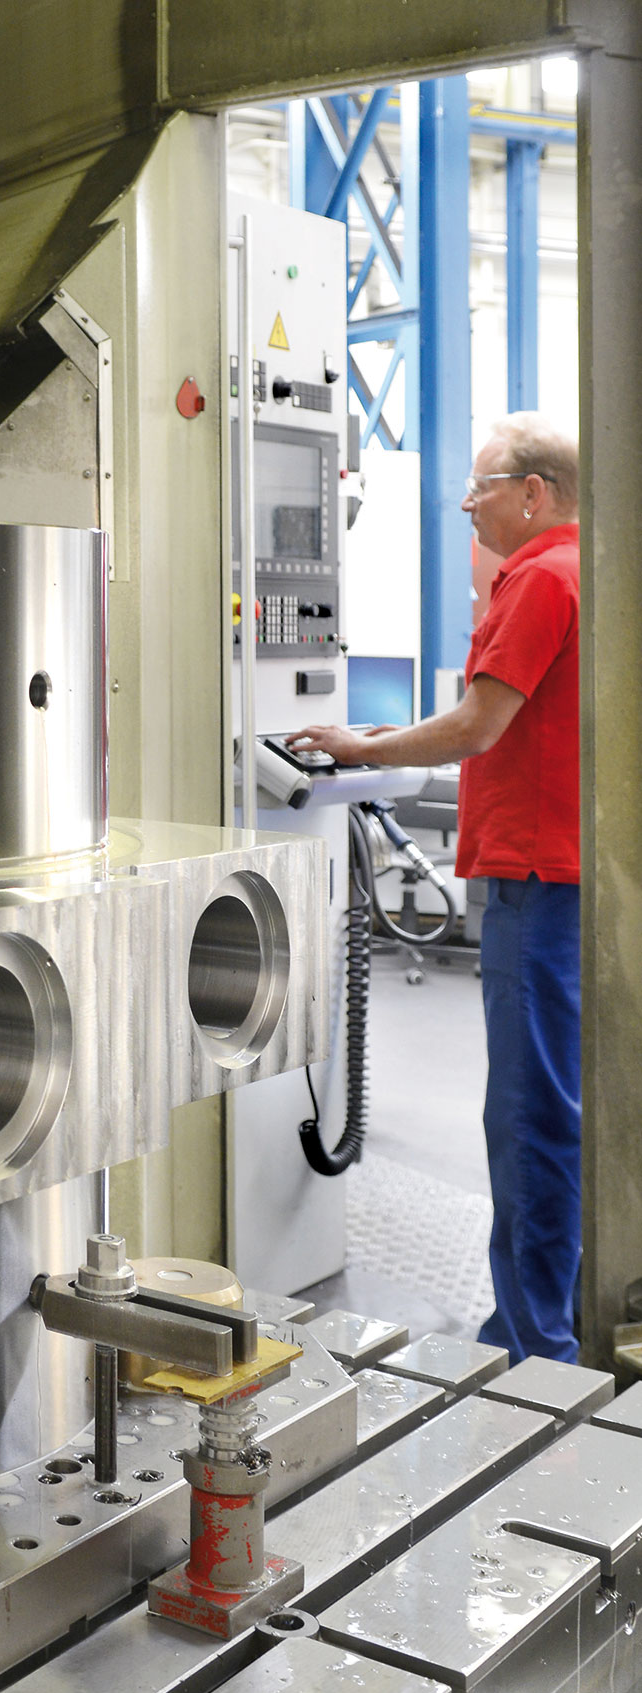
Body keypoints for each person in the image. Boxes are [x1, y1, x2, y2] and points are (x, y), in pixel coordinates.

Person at [288, 413, 581, 1362]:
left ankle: (534, 1350)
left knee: (530, 1116)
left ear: (532, 493)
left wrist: (358, 747)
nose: (466, 505)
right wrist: (379, 742)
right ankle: (556, 1322)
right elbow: (494, 717)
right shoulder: (587, 569)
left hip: (535, 881)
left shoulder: (538, 579)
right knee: (564, 1106)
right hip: (571, 877)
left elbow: (475, 728)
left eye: (480, 486)